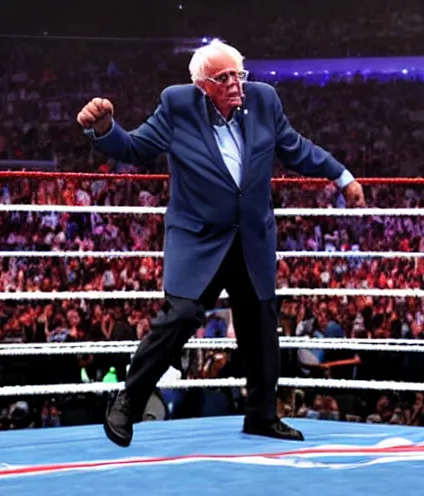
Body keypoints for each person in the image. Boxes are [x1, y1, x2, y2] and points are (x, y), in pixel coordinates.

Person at [76, 40, 365, 447]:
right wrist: (104, 128)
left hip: (251, 237)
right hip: (197, 238)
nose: (235, 84)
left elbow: (296, 148)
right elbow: (136, 148)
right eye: (223, 77)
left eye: (238, 74)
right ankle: (127, 402)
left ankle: (262, 416)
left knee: (262, 326)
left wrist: (343, 176)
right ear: (202, 85)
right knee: (179, 317)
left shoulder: (264, 100)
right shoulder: (178, 105)